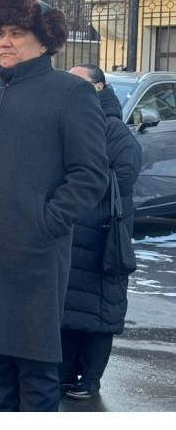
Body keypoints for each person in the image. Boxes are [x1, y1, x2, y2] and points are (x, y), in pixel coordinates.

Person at [0, 0, 108, 411]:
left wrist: (44, 223)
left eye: (16, 33)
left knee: (36, 375)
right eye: (0, 33)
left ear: (45, 39)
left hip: (35, 259)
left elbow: (90, 175)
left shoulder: (70, 93)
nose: (4, 42)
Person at [60, 64, 142, 400]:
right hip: (71, 228)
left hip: (102, 233)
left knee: (99, 311)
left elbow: (125, 173)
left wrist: (82, 182)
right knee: (67, 308)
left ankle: (90, 378)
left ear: (97, 88)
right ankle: (65, 373)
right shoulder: (69, 121)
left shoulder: (113, 129)